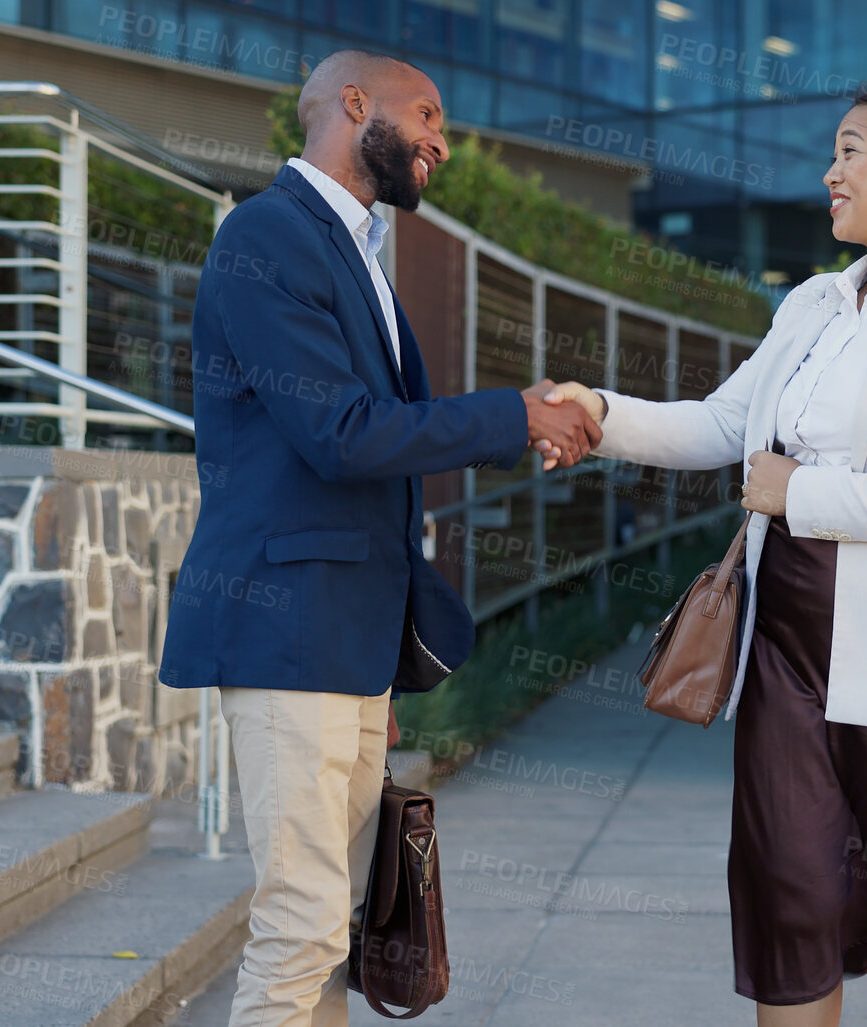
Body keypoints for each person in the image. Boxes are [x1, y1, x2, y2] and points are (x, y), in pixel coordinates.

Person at [543, 84, 867, 1027]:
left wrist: (795, 493)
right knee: (786, 898)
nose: (829, 173)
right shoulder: (812, 302)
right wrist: (598, 414)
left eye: (851, 152)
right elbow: (726, 421)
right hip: (787, 653)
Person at [156, 49, 601, 1027]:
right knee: (302, 927)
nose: (443, 139)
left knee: (336, 929)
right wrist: (514, 418)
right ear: (355, 106)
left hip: (340, 650)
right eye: (428, 114)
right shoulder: (268, 237)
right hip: (287, 638)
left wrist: (375, 673)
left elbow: (366, 465)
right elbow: (343, 434)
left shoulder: (350, 247)